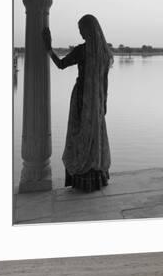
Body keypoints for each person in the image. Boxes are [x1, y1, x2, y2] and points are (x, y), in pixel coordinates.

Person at [42, 15, 113, 192]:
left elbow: (61, 64)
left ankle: (82, 178)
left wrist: (49, 49)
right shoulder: (104, 52)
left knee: (79, 136)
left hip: (82, 99)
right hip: (97, 100)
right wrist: (103, 104)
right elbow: (104, 82)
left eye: (81, 29)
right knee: (94, 137)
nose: (80, 33)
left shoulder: (82, 51)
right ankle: (96, 178)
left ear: (89, 29)